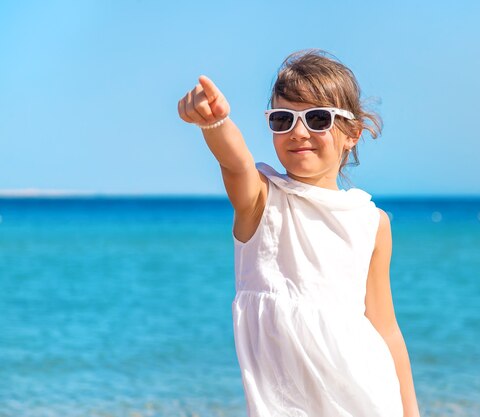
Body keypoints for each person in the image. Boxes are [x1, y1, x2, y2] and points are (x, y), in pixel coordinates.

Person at [178, 49, 420, 417]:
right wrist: (215, 123)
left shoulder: (372, 222)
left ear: (351, 133)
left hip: (370, 400)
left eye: (318, 118)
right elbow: (235, 162)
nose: (298, 132)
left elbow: (385, 329)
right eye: (282, 119)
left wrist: (410, 412)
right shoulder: (262, 200)